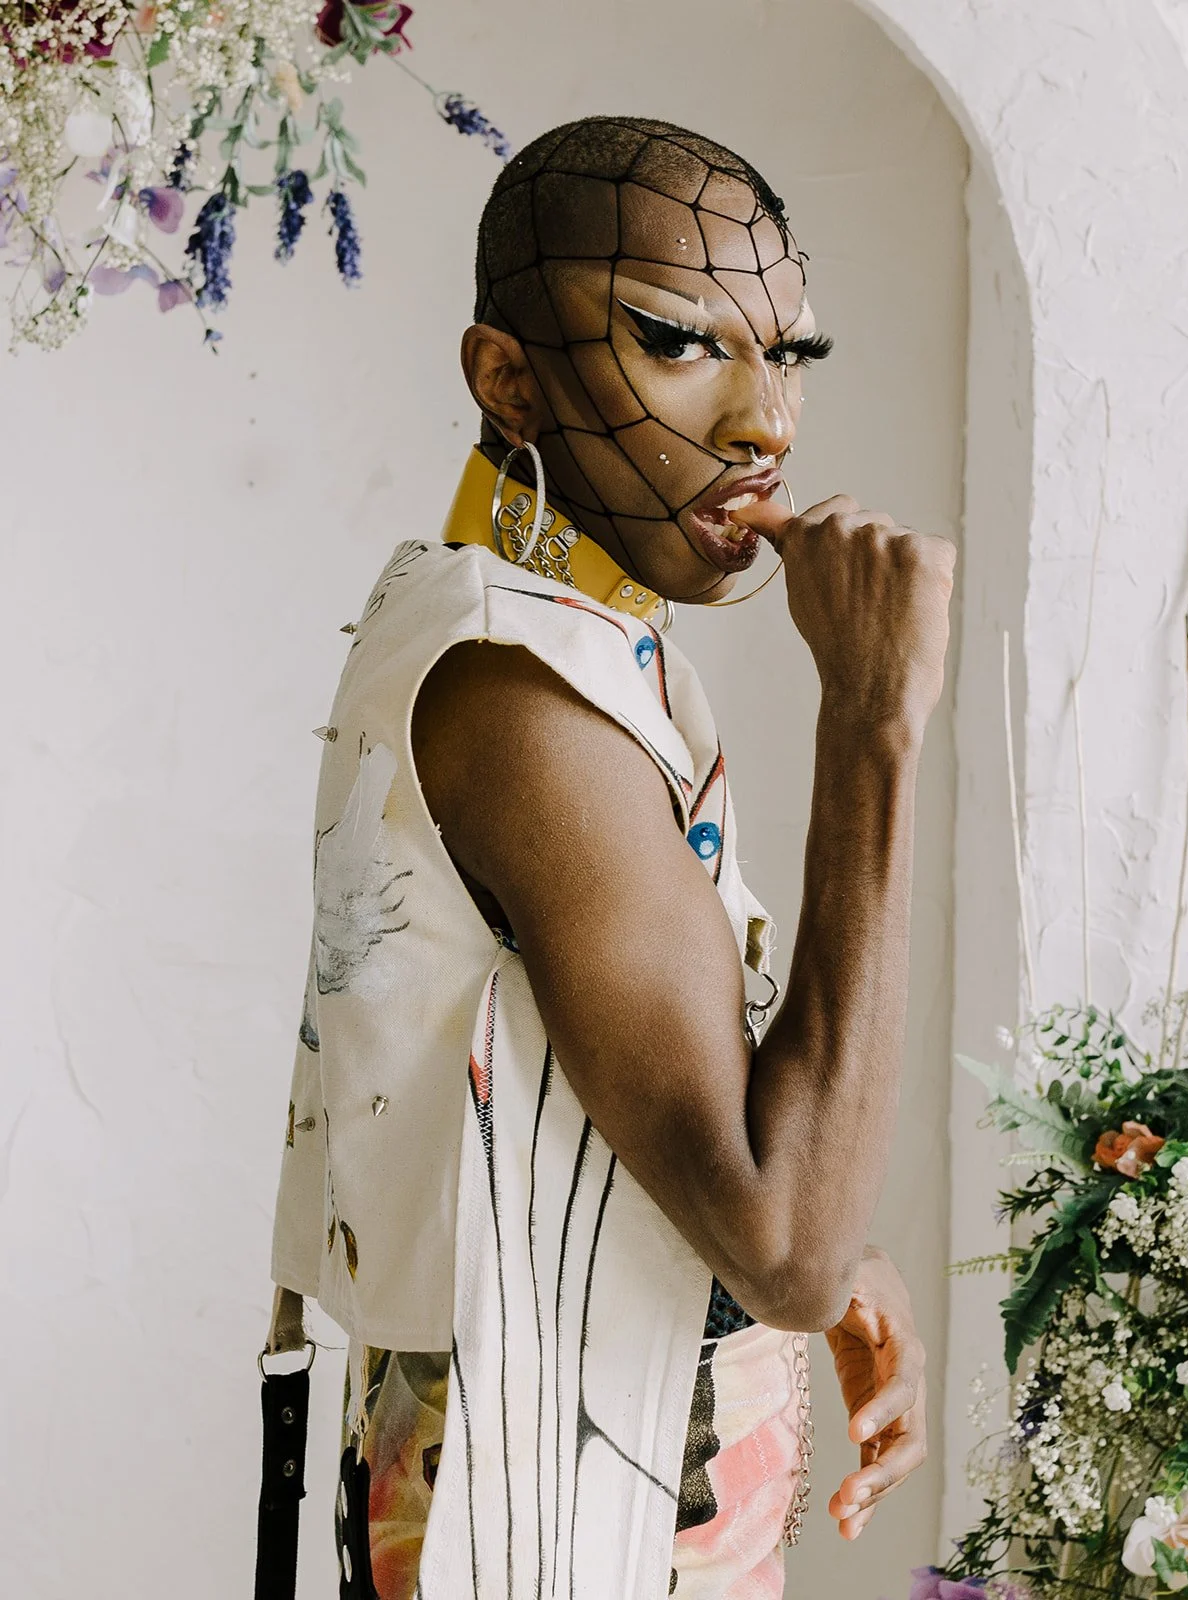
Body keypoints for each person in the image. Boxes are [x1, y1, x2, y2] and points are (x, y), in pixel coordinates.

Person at [264, 114, 954, 1600]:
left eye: (794, 358)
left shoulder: (529, 629)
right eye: (682, 341)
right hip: (547, 1512)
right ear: (507, 375)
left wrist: (824, 1264)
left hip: (602, 1465)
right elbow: (778, 1237)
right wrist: (876, 722)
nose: (766, 422)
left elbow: (647, 1088)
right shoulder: (519, 692)